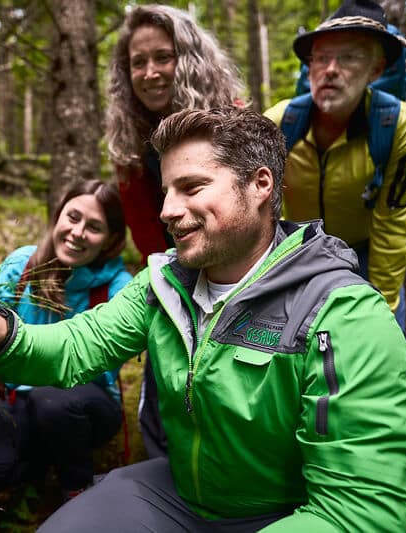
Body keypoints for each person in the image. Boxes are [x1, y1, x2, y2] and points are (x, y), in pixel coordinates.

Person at [0, 106, 406, 532]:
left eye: (191, 188)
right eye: (166, 190)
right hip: (180, 495)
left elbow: (359, 513)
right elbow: (77, 346)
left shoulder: (344, 315)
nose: (167, 210)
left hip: (288, 513)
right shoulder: (164, 283)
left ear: (261, 185)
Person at [105, 3, 247, 458]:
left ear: (187, 58)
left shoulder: (234, 122)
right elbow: (147, 232)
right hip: (175, 269)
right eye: (138, 62)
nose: (149, 72)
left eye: (162, 57)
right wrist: (171, 289)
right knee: (167, 387)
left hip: (237, 268)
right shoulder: (129, 136)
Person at [0, 179, 132, 502]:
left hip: (85, 400)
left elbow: (100, 365)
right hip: (18, 398)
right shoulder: (21, 265)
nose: (78, 232)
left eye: (94, 227)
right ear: (58, 216)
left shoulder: (120, 287)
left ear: (111, 240)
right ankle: (36, 467)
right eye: (73, 217)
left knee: (51, 401)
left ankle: (78, 490)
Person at [264, 0, 406, 331]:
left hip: (364, 257)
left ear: (376, 70)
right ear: (309, 67)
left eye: (349, 57)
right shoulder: (281, 122)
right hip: (295, 254)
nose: (331, 69)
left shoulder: (400, 127)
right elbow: (261, 209)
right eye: (321, 58)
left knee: (376, 353)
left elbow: (393, 227)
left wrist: (378, 312)